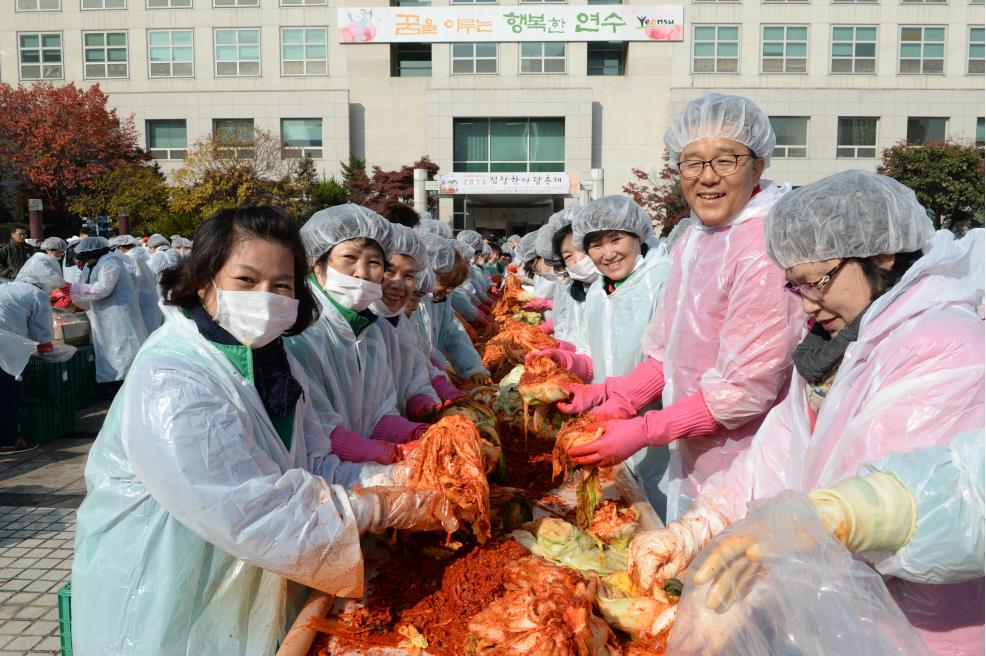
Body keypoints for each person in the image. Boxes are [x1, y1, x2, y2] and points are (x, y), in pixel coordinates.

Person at [72, 205, 458, 656]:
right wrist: (385, 506)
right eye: (246, 280)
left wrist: (401, 480)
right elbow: (255, 510)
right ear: (205, 279)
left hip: (248, 582)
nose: (266, 297)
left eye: (281, 285)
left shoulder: (270, 358)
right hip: (166, 592)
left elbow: (314, 460)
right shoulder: (173, 377)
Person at [628, 170, 984, 654]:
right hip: (839, 619)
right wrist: (700, 526)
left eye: (816, 283)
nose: (808, 306)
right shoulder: (831, 348)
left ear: (881, 254)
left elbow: (899, 507)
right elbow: (775, 459)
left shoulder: (943, 346)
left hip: (920, 629)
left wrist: (763, 584)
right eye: (796, 288)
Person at [561, 94, 803, 521]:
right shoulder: (694, 239)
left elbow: (745, 391)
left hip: (747, 460)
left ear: (758, 165)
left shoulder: (763, 247)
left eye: (725, 161)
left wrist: (646, 428)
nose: (707, 177)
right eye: (692, 163)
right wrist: (618, 399)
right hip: (689, 450)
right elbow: (666, 351)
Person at [285, 204, 426, 466]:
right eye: (349, 258)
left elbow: (379, 415)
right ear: (317, 264)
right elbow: (318, 433)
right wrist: (397, 454)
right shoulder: (300, 333)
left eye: (374, 262)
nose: (362, 272)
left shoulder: (372, 330)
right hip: (320, 477)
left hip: (357, 471)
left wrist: (421, 435)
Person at [370, 224, 442, 419]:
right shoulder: (361, 328)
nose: (398, 285)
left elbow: (415, 376)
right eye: (389, 271)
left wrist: (425, 403)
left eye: (409, 276)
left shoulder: (403, 325)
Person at [0, 254, 65, 454]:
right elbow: (43, 335)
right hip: (5, 345)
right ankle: (8, 441)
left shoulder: (6, 287)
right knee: (7, 391)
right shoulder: (37, 294)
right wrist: (49, 350)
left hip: (5, 340)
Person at [69, 236, 148, 384]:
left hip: (117, 313)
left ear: (94, 253)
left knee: (122, 346)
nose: (86, 262)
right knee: (110, 348)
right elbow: (84, 283)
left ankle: (125, 380)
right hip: (103, 314)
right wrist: (75, 293)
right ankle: (111, 380)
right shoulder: (91, 265)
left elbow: (103, 288)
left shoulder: (110, 262)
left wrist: (75, 289)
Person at [420, 232, 491, 386]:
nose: (449, 291)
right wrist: (440, 366)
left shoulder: (441, 299)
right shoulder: (414, 303)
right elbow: (418, 347)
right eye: (445, 284)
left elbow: (453, 332)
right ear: (429, 273)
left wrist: (473, 368)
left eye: (452, 287)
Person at [113, 235, 164, 333]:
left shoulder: (129, 259)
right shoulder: (143, 256)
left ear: (122, 248)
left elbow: (128, 282)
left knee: (146, 335)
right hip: (152, 299)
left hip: (141, 303)